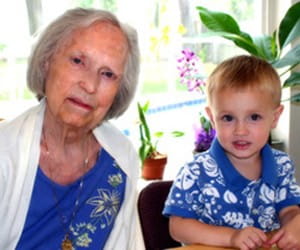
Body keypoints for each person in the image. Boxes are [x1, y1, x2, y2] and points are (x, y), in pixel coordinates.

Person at [0, 8, 144, 250]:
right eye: (78, 61)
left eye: (108, 74)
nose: (89, 85)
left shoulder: (120, 157)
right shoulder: (5, 154)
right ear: (47, 62)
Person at [163, 55, 300, 250]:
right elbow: (178, 227)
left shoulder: (282, 165)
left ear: (275, 117)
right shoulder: (195, 171)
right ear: (212, 117)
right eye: (228, 118)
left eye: (254, 117)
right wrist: (231, 237)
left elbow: (288, 210)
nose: (240, 130)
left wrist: (295, 223)